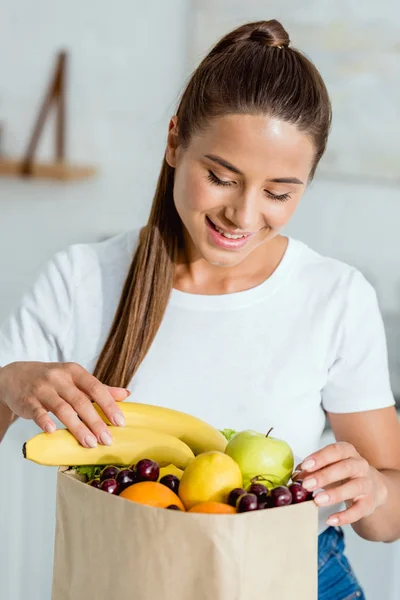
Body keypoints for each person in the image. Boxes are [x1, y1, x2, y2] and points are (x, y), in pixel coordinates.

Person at [0, 19, 399, 599]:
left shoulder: (335, 297)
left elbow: (385, 521)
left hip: (301, 580)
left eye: (279, 193)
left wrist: (378, 492)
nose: (243, 214)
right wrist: (9, 381)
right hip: (125, 582)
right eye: (220, 177)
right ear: (173, 140)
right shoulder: (81, 280)